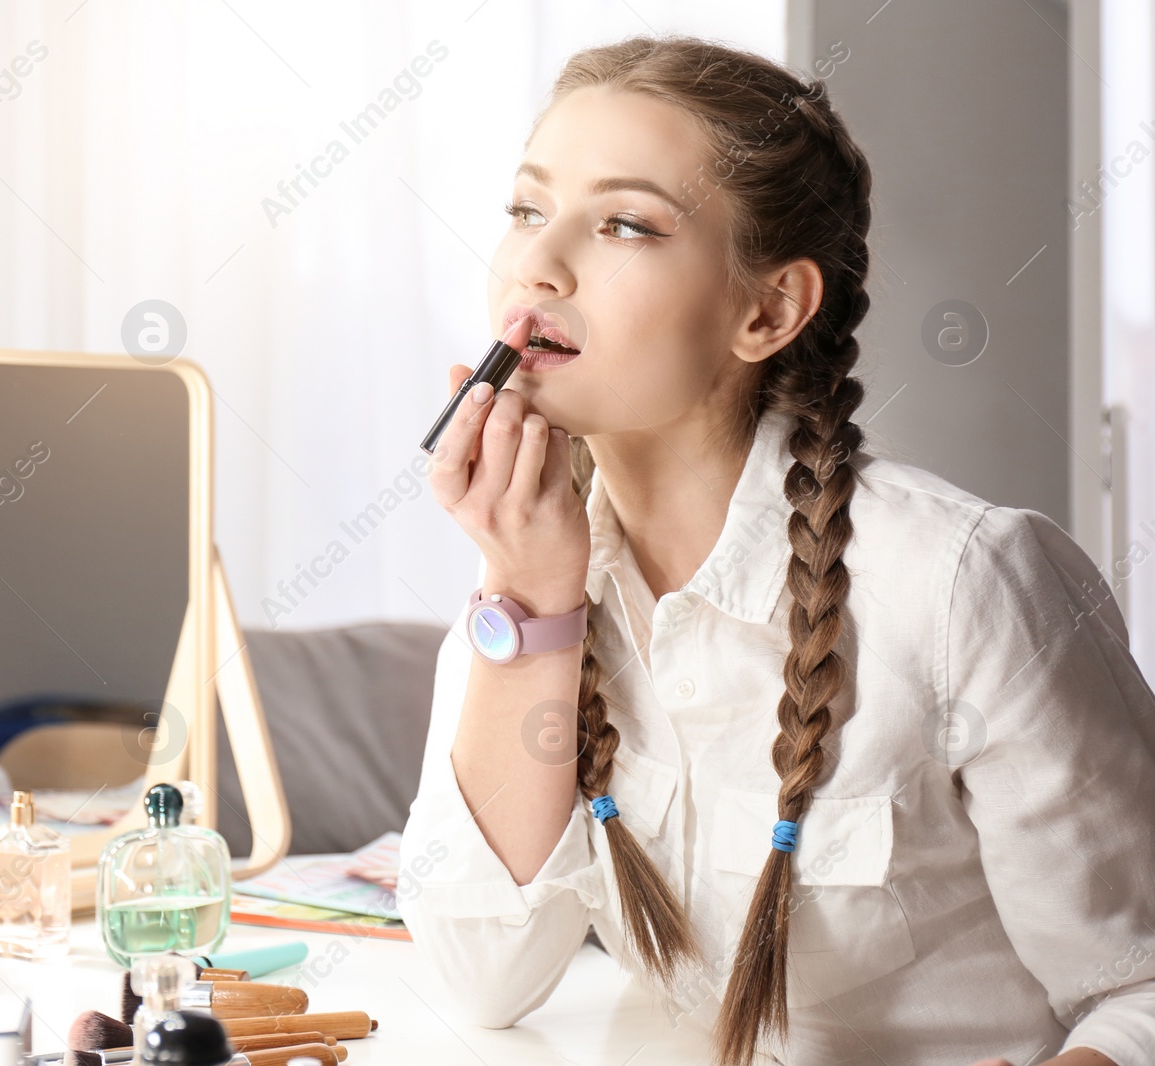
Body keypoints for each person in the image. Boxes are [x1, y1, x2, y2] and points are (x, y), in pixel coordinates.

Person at [396, 35, 1155, 1066]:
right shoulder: (539, 574)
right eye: (528, 209)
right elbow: (480, 979)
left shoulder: (964, 581)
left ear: (768, 309)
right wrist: (529, 602)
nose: (539, 260)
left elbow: (1142, 988)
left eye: (621, 222)